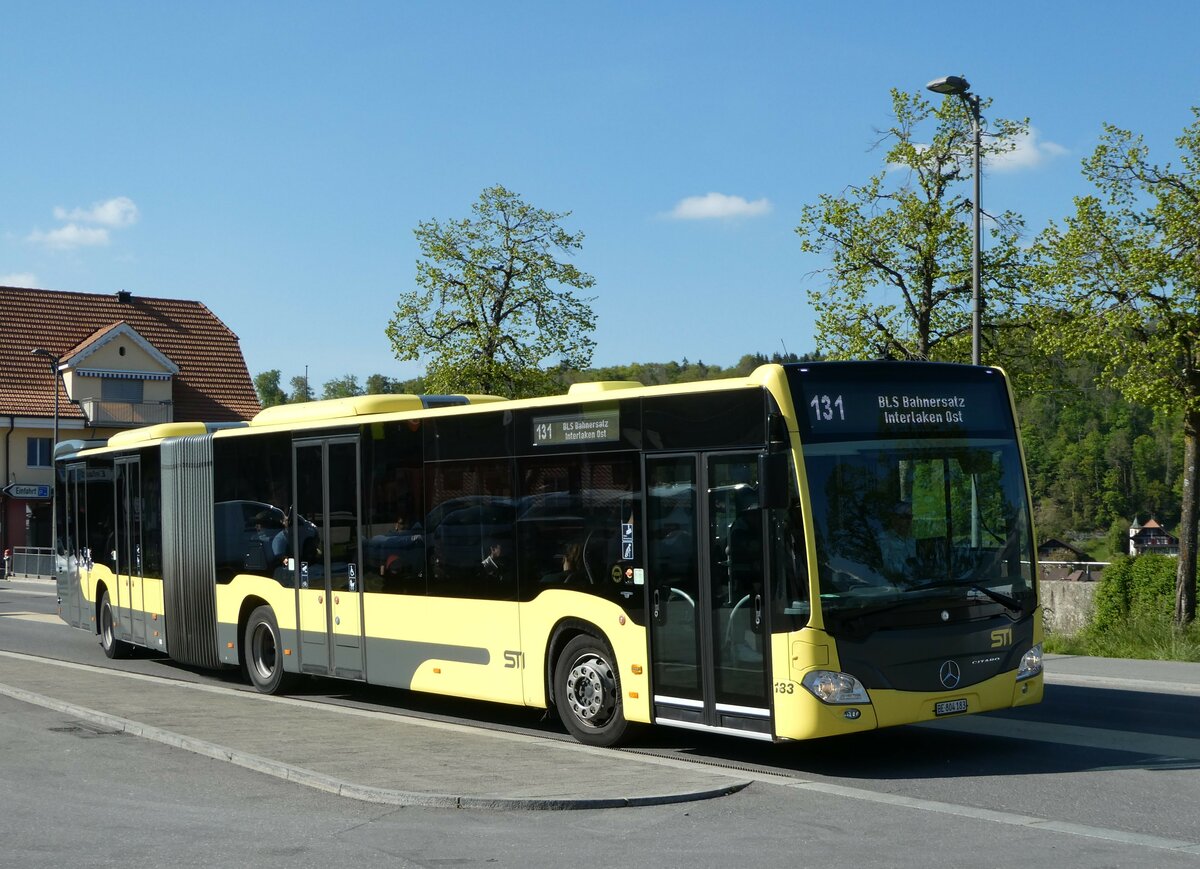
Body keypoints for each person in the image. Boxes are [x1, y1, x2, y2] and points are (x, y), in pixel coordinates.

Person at [877, 500, 917, 579]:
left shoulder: (914, 538)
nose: (909, 521)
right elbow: (887, 569)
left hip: (919, 584)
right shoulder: (883, 539)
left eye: (911, 517)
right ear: (895, 519)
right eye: (905, 517)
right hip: (892, 586)